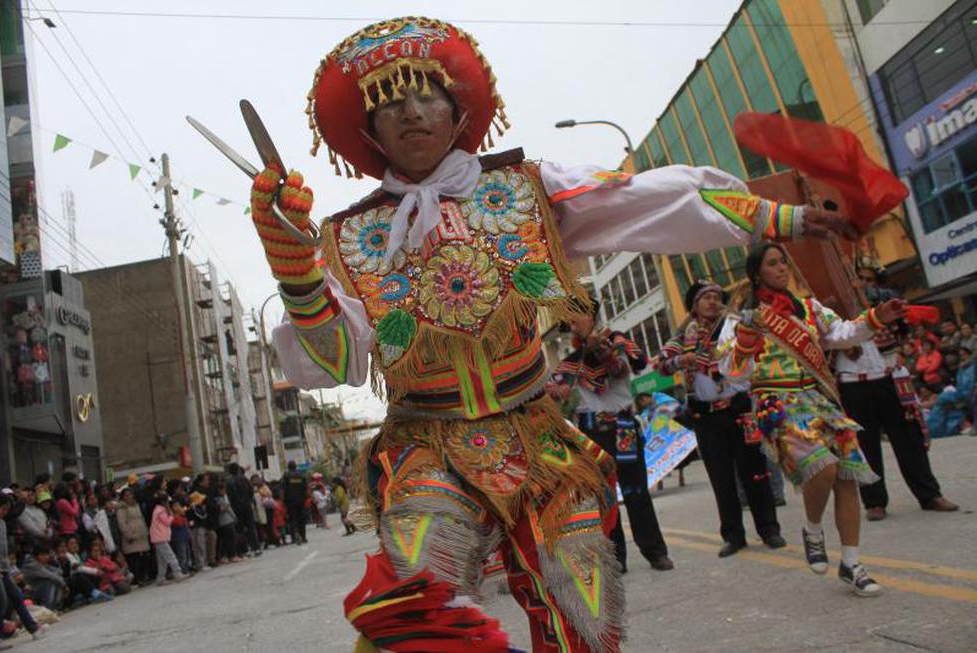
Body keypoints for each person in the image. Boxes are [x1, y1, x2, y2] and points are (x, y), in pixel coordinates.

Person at [257, 16, 860, 651]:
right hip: (424, 444)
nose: (410, 113)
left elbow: (646, 199)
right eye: (390, 102)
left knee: (585, 613)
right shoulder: (347, 237)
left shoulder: (525, 188)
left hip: (537, 434)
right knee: (418, 608)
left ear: (459, 112)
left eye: (425, 93)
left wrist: (778, 215)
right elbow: (334, 362)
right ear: (369, 130)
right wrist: (294, 269)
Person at [719, 243, 905, 597]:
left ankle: (852, 563)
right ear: (757, 272)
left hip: (821, 399)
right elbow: (731, 373)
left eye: (783, 261)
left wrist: (878, 316)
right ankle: (812, 527)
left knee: (848, 475)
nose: (782, 268)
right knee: (824, 468)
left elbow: (842, 333)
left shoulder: (808, 309)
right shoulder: (743, 318)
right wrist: (744, 343)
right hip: (780, 404)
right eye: (773, 263)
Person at [548, 297, 674, 573]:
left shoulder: (615, 341)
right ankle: (616, 559)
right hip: (592, 434)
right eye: (568, 318)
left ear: (592, 316)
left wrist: (603, 351)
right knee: (604, 497)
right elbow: (556, 392)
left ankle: (655, 552)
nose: (572, 322)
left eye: (577, 315)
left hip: (622, 429)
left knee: (635, 490)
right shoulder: (571, 362)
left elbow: (627, 366)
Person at [659, 280, 784, 557]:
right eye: (707, 298)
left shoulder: (734, 326)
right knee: (721, 478)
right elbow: (661, 365)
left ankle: (769, 529)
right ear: (695, 304)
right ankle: (733, 535)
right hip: (706, 416)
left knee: (755, 471)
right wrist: (682, 361)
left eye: (717, 297)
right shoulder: (683, 336)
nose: (713, 301)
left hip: (739, 409)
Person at [836, 271, 958, 522]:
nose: (860, 284)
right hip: (853, 383)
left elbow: (902, 326)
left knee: (909, 439)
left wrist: (870, 301)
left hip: (888, 376)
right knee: (865, 444)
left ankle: (929, 494)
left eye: (866, 280)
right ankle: (874, 501)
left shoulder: (884, 302)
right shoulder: (830, 311)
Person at [0, 493, 45, 640]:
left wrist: (7, 568)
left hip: (3, 568)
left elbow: (4, 550)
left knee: (17, 597)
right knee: (1, 601)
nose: (4, 512)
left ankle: (33, 628)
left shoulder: (3, 524)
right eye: (2, 508)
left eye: (7, 510)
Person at [150, 492, 188, 585]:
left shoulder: (157, 509)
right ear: (164, 502)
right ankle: (177, 572)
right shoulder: (161, 511)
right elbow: (167, 522)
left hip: (158, 537)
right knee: (170, 555)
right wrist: (172, 515)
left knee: (162, 559)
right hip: (160, 537)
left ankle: (160, 577)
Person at [116, 487, 151, 585]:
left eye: (130, 494)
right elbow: (122, 523)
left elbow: (142, 519)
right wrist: (128, 535)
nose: (129, 497)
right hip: (131, 536)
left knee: (144, 558)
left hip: (141, 535)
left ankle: (143, 577)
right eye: (126, 495)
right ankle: (136, 579)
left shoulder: (137, 505)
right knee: (134, 559)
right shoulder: (121, 508)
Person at [226, 463, 260, 557]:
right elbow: (251, 492)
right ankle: (256, 547)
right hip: (247, 506)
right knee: (251, 527)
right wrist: (248, 500)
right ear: (238, 470)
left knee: (239, 529)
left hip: (236, 508)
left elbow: (229, 496)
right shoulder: (245, 479)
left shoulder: (228, 482)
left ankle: (245, 549)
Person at [21, 543, 66, 611]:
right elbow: (51, 576)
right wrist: (64, 586)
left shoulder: (44, 564)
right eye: (43, 555)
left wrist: (54, 561)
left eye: (47, 554)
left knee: (56, 580)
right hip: (28, 593)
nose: (46, 557)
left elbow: (59, 572)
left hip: (37, 591)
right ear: (35, 556)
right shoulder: (31, 565)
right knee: (49, 581)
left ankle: (53, 607)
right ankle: (47, 609)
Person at [281, 462, 307, 546]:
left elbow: (283, 489)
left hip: (290, 501)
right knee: (301, 519)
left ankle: (295, 536)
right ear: (296, 467)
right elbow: (305, 488)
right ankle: (303, 536)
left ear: (288, 467)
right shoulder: (301, 475)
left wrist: (282, 502)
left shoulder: (286, 476)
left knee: (293, 519)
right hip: (301, 500)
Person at [214, 484, 241, 564]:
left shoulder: (224, 497)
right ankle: (230, 555)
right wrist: (234, 516)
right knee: (229, 539)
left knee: (229, 538)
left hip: (228, 520)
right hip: (224, 521)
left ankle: (228, 555)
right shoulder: (217, 499)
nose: (224, 491)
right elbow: (226, 508)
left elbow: (227, 507)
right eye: (222, 490)